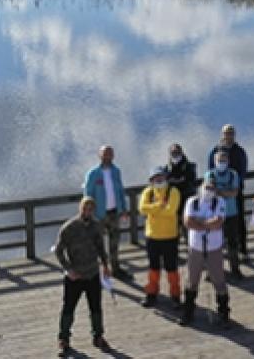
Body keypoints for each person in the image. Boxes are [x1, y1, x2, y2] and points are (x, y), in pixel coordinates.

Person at [54, 197, 112, 357]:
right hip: (75, 275)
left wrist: (106, 265)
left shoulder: (96, 225)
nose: (88, 212)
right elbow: (58, 250)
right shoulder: (69, 227)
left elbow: (101, 247)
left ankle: (98, 336)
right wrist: (68, 269)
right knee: (68, 308)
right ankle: (63, 339)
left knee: (96, 307)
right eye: (85, 209)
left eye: (91, 209)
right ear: (80, 208)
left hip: (93, 273)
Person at [180, 173, 231, 328]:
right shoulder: (192, 202)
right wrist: (207, 224)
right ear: (200, 188)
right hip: (195, 247)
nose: (208, 190)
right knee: (191, 280)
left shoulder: (220, 201)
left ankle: (223, 312)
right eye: (206, 187)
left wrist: (200, 222)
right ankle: (188, 312)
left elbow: (218, 222)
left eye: (211, 188)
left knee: (219, 281)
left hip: (214, 248)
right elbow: (188, 222)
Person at [81, 145, 130, 280]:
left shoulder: (116, 171)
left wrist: (124, 209)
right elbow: (88, 194)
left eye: (110, 154)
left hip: (114, 213)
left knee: (115, 242)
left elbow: (120, 191)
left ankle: (116, 269)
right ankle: (95, 271)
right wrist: (88, 213)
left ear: (113, 156)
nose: (107, 156)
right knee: (96, 244)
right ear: (100, 155)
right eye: (105, 154)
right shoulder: (93, 173)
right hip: (98, 215)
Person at [138, 166, 181, 308]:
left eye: (161, 176)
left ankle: (175, 296)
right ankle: (151, 294)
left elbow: (171, 211)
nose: (158, 179)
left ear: (166, 177)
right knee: (153, 268)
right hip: (152, 236)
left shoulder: (173, 191)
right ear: (151, 180)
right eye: (155, 177)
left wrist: (153, 210)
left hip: (170, 236)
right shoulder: (148, 192)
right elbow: (142, 209)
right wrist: (159, 206)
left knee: (171, 268)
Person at [208, 124, 250, 259]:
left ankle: (242, 249)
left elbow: (243, 170)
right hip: (216, 194)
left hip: (235, 192)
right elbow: (210, 170)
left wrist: (234, 185)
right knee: (217, 221)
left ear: (234, 134)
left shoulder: (240, 151)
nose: (229, 135)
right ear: (222, 134)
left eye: (231, 133)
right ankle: (221, 251)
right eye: (226, 133)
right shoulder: (214, 150)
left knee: (239, 221)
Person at [208, 149, 244, 280]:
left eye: (224, 160)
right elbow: (209, 192)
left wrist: (220, 192)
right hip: (214, 214)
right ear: (214, 161)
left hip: (231, 213)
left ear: (228, 161)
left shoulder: (234, 174)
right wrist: (225, 192)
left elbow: (234, 193)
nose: (221, 163)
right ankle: (213, 271)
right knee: (214, 244)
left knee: (233, 243)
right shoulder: (210, 175)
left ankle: (235, 269)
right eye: (219, 160)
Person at [165, 143, 197, 249]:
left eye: (177, 152)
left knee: (189, 230)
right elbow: (166, 184)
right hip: (173, 205)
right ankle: (174, 255)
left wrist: (175, 181)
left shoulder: (190, 166)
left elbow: (190, 181)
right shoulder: (166, 168)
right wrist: (179, 180)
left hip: (187, 203)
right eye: (173, 153)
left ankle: (193, 252)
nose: (175, 154)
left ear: (182, 152)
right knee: (173, 231)